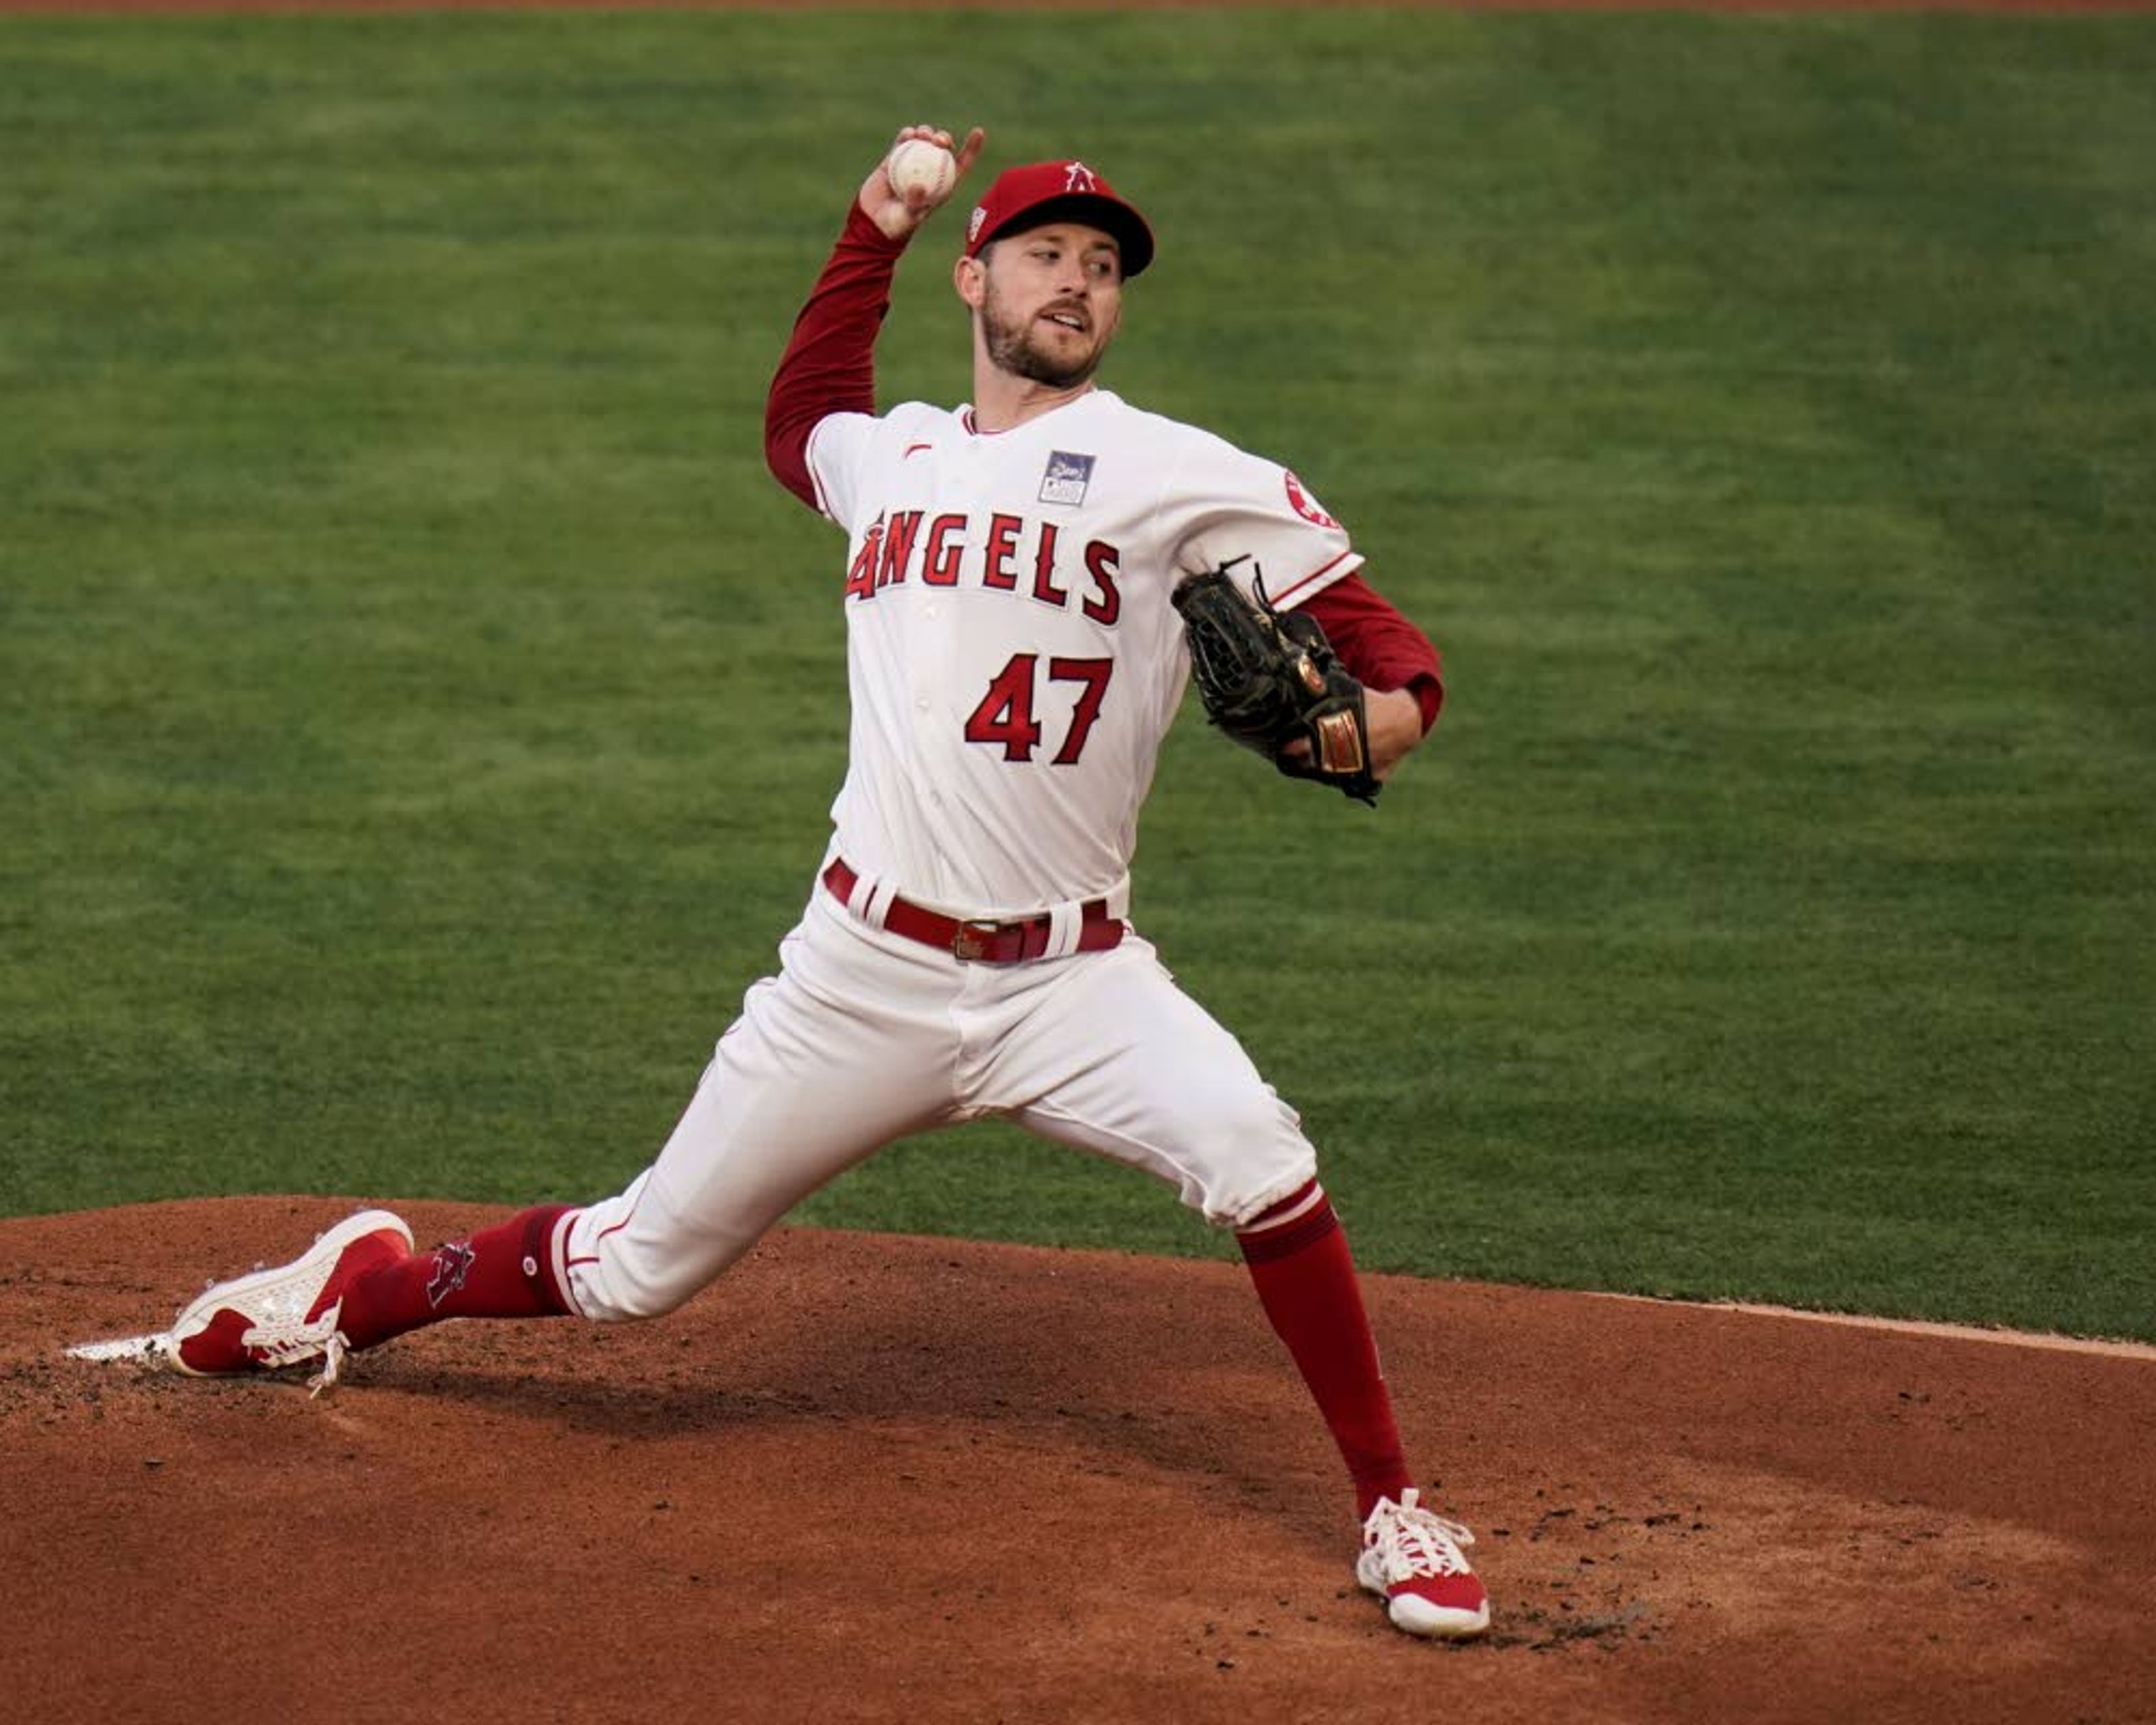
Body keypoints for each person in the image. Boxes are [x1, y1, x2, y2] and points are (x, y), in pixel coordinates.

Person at [156, 125, 1487, 1641]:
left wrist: (1388, 716)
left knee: (1260, 1152)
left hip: (1076, 982)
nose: (1079, 282)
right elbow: (800, 417)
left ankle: (1393, 1501)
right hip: (863, 973)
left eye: (1104, 266)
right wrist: (874, 222)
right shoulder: (896, 452)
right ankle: (373, 1283)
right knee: (640, 1266)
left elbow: (1393, 653)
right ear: (976, 277)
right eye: (1049, 253)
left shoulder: (1184, 474)